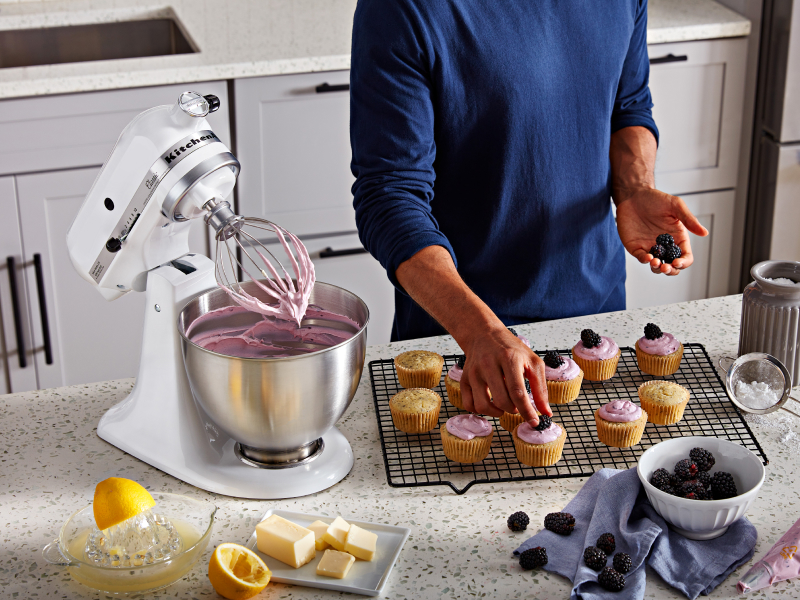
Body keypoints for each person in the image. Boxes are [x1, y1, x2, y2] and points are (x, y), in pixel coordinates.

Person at [349, 0, 708, 427]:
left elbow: (627, 105)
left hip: (596, 320)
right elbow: (389, 195)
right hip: (464, 340)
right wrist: (480, 331)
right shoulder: (400, 8)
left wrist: (635, 188)